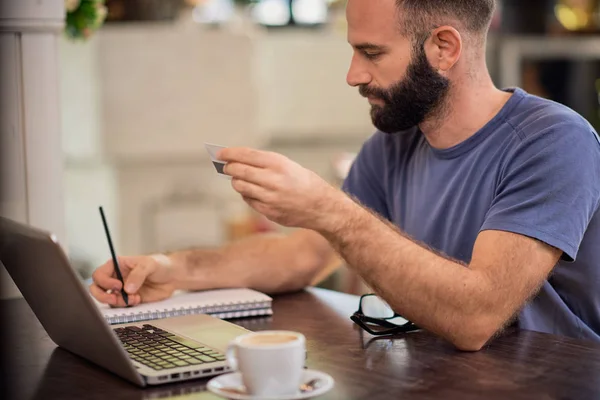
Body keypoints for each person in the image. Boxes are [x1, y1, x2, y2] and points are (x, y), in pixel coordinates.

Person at [90, 0, 600, 350]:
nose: (353, 74)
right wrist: (174, 271)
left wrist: (329, 208)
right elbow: (307, 254)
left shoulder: (553, 141)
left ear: (444, 48)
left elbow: (475, 317)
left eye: (372, 53)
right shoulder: (394, 142)